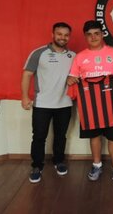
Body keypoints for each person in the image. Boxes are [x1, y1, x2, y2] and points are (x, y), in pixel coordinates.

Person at [67, 20, 113, 189]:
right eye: (89, 34)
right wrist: (71, 80)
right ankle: (97, 166)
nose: (93, 37)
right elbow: (71, 79)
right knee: (94, 137)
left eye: (96, 33)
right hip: (90, 109)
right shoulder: (80, 57)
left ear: (102, 34)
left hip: (112, 108)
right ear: (85, 37)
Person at [21, 22, 76, 183]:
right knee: (39, 136)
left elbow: (78, 76)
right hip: (42, 104)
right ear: (53, 35)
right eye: (59, 34)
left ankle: (58, 161)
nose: (62, 37)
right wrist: (25, 97)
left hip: (64, 103)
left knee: (61, 136)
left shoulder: (73, 56)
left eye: (66, 35)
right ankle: (37, 166)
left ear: (69, 37)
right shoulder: (39, 53)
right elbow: (26, 75)